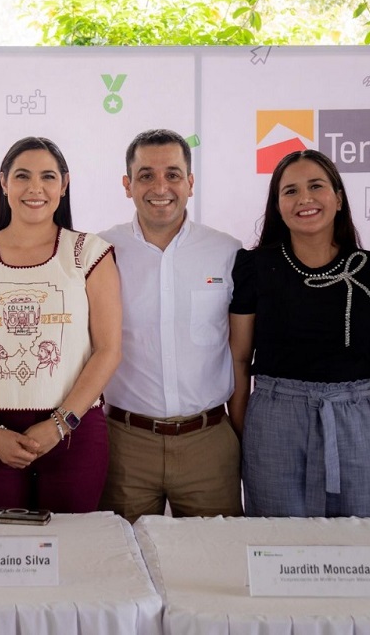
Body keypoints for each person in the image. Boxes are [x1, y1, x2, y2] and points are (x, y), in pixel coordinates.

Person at [0, 136, 122, 513]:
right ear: (4, 183)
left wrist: (60, 424)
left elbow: (108, 350)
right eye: (22, 176)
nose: (35, 188)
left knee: (72, 555)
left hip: (75, 433)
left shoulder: (89, 253)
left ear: (65, 184)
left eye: (48, 177)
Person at [229, 149, 370, 518]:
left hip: (359, 422)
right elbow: (240, 360)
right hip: (274, 423)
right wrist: (246, 439)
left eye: (316, 186)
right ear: (278, 205)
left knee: (366, 547)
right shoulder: (255, 266)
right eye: (290, 191)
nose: (304, 199)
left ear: (338, 198)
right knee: (279, 550)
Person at [98, 129, 243, 522]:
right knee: (125, 570)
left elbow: (242, 352)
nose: (160, 186)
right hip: (125, 443)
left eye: (173, 175)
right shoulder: (98, 253)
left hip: (208, 443)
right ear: (127, 185)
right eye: (146, 175)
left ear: (190, 184)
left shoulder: (228, 253)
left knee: (212, 570)